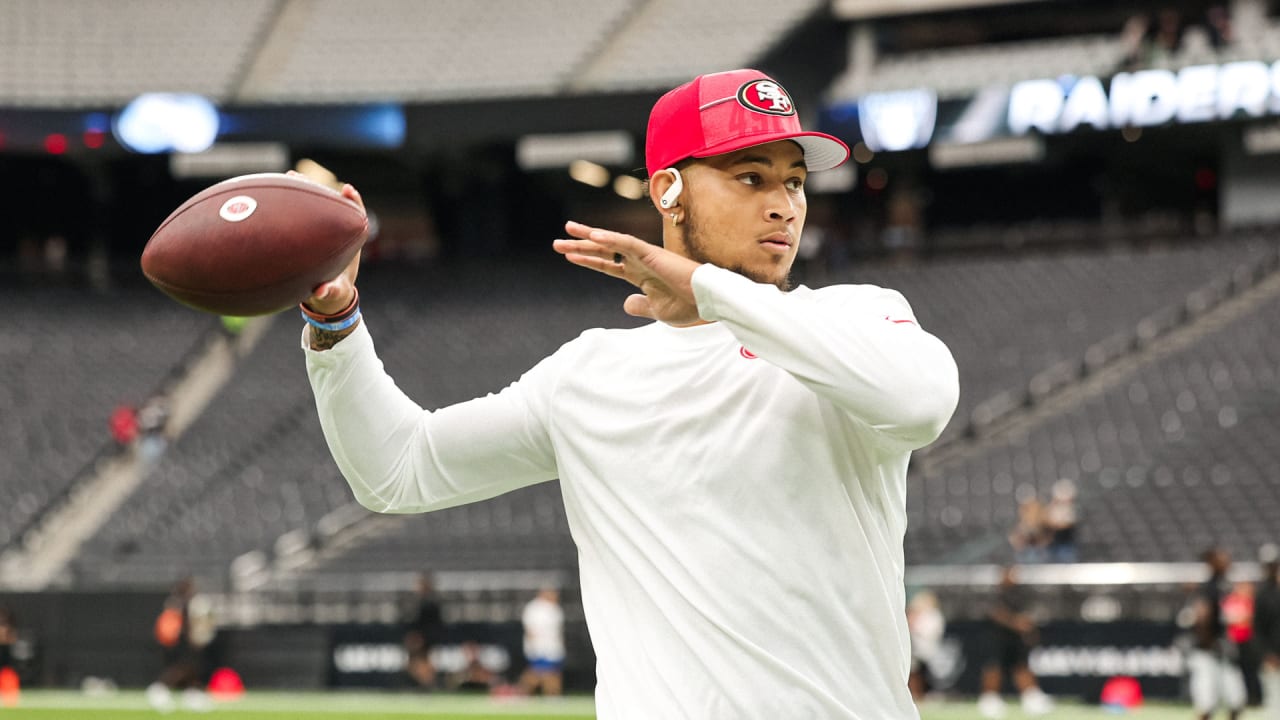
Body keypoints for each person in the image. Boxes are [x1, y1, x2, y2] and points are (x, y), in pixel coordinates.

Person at [299, 68, 959, 718]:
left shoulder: (857, 316)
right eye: (751, 177)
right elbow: (400, 469)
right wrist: (335, 322)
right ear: (668, 190)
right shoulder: (590, 374)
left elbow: (920, 403)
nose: (784, 204)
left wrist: (705, 288)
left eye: (794, 180)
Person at [977, 565, 1052, 718]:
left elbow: (1027, 615)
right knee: (994, 667)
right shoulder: (994, 593)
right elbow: (994, 613)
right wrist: (1015, 622)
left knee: (1021, 666)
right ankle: (989, 699)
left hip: (1016, 640)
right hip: (997, 637)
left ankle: (1030, 697)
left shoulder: (1020, 593)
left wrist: (1027, 626)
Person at [1189, 547, 1247, 720]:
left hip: (1223, 649)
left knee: (1236, 699)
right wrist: (1209, 641)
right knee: (1207, 702)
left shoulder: (1226, 586)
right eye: (1221, 559)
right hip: (1207, 651)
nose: (1227, 562)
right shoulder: (1208, 587)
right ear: (1212, 563)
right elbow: (1202, 615)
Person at [147, 577, 212, 713]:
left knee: (192, 668)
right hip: (180, 642)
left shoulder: (183, 602)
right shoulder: (178, 604)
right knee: (182, 668)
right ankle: (160, 688)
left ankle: (192, 692)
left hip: (185, 642)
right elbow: (173, 627)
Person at [518, 587, 565, 697]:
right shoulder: (533, 608)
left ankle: (553, 694)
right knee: (541, 672)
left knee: (552, 672)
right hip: (540, 648)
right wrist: (535, 647)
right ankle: (521, 692)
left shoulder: (555, 609)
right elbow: (530, 630)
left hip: (553, 648)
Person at [1253, 544, 1280, 720]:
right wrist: (1266, 654)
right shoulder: (1263, 594)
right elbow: (1258, 628)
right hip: (1273, 657)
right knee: (1275, 704)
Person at [404, 572, 445, 689]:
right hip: (418, 639)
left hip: (426, 638)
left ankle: (427, 685)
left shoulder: (431, 603)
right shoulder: (415, 601)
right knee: (414, 664)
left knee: (424, 663)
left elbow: (433, 623)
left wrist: (423, 637)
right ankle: (422, 684)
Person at [906, 589, 946, 702]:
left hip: (926, 650)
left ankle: (920, 694)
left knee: (919, 673)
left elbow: (928, 632)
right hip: (915, 649)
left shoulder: (934, 615)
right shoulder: (917, 615)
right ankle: (914, 694)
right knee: (913, 672)